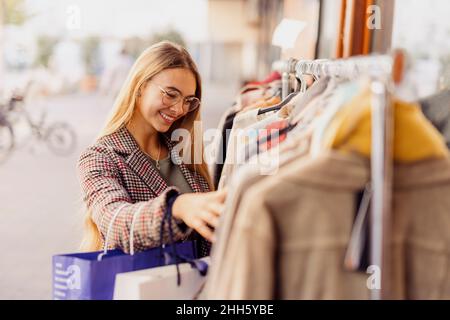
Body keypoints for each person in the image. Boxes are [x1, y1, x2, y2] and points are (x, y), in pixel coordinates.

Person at [77, 41, 226, 256]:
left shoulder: (184, 149)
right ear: (140, 86)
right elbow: (115, 222)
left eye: (188, 101)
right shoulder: (100, 157)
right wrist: (177, 207)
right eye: (170, 94)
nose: (179, 109)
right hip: (139, 286)